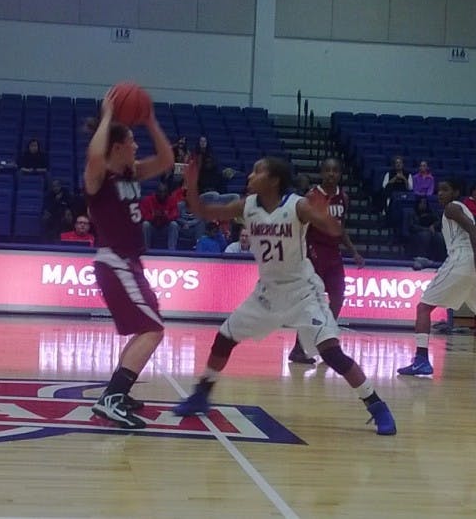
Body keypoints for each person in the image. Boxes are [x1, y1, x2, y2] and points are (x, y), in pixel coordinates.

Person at [173, 156, 397, 435]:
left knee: (331, 354)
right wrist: (191, 186)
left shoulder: (297, 206)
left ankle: (377, 406)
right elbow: (205, 212)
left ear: (274, 180)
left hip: (302, 292)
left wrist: (325, 216)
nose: (250, 176)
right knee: (224, 337)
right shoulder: (248, 205)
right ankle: (201, 394)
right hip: (267, 292)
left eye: (257, 171)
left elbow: (333, 228)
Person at [83, 87, 174, 429]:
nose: (137, 146)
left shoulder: (130, 174)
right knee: (152, 329)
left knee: (146, 329)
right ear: (117, 147)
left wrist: (150, 120)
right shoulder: (99, 177)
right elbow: (94, 157)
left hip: (128, 263)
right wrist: (108, 117)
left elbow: (166, 161)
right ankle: (112, 397)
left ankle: (116, 394)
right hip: (115, 262)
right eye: (132, 141)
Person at [398, 179, 476, 378]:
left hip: (465, 258)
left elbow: (473, 231)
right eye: (439, 190)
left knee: (423, 307)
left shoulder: (452, 208)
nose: (440, 193)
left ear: (455, 192)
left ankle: (421, 360)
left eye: (445, 190)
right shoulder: (462, 209)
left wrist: (474, 262)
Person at [288, 158, 365, 365]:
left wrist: (354, 251)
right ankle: (298, 348)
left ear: (339, 174)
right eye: (328, 170)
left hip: (333, 252)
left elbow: (341, 228)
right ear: (322, 173)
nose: (331, 174)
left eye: (335, 171)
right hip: (314, 250)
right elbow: (300, 226)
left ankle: (324, 339)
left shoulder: (343, 198)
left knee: (338, 297)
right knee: (312, 303)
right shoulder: (312, 197)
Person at [140, 182, 180, 250]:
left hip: (165, 228)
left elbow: (175, 215)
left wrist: (165, 216)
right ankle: (146, 249)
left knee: (174, 224)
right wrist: (154, 217)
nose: (162, 194)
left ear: (167, 193)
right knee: (145, 224)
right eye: (160, 192)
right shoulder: (147, 200)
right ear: (156, 192)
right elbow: (143, 215)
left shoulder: (172, 200)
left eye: (164, 192)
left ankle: (172, 251)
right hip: (153, 228)